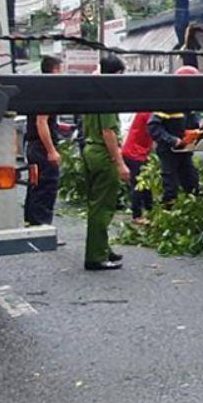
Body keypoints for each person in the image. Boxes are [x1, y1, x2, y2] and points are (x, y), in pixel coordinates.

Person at [82, 54, 129, 271]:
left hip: (91, 150)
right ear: (118, 74)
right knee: (103, 207)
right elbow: (108, 132)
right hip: (103, 154)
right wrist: (120, 163)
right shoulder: (108, 95)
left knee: (95, 204)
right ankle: (96, 256)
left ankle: (102, 248)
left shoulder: (93, 92)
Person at [147, 65, 203, 206]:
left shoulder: (190, 102)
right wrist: (172, 140)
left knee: (192, 181)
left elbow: (193, 117)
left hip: (185, 151)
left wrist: (200, 124)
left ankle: (193, 210)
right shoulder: (168, 102)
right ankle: (168, 211)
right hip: (169, 151)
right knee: (170, 185)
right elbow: (153, 126)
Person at [23, 55, 63, 227]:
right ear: (55, 70)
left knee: (35, 184)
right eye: (61, 69)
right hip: (41, 147)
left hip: (34, 145)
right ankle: (41, 225)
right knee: (46, 185)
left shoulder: (38, 89)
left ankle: (32, 221)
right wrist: (51, 150)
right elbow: (42, 122)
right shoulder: (48, 91)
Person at [121, 111, 155, 225]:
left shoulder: (145, 112)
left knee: (146, 184)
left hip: (139, 152)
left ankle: (150, 211)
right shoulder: (147, 113)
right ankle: (137, 215)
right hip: (134, 153)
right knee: (138, 185)